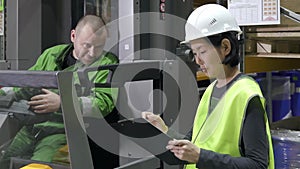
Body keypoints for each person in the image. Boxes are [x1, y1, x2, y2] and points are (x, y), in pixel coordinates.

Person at [142, 4, 274, 169]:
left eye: (202, 52)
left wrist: (201, 157)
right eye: (194, 53)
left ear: (226, 47)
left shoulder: (246, 95)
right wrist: (165, 131)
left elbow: (258, 164)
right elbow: (197, 143)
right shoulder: (211, 91)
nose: (197, 61)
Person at [0, 15, 118, 168]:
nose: (92, 53)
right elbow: (24, 85)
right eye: (87, 45)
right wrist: (3, 96)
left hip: (63, 133)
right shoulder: (51, 54)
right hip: (31, 128)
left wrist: (63, 103)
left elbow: (102, 103)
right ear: (73, 36)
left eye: (99, 46)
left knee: (40, 166)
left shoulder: (107, 64)